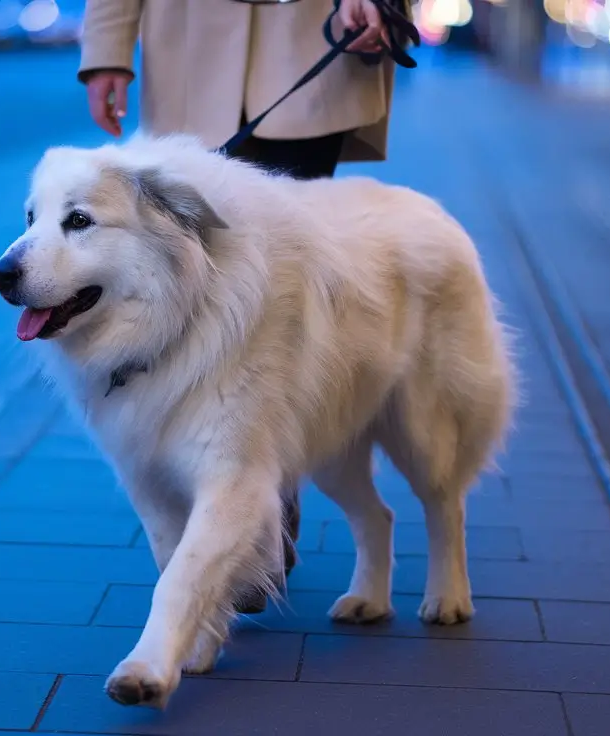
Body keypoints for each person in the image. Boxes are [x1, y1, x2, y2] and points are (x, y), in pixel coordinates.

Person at [76, 0, 401, 612]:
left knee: (284, 296)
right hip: (189, 51)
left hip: (311, 40)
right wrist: (107, 51)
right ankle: (235, 508)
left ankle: (259, 516)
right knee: (196, 286)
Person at [77, 0, 398, 181]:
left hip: (314, 33)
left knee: (297, 246)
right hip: (187, 51)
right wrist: (106, 48)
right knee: (189, 250)